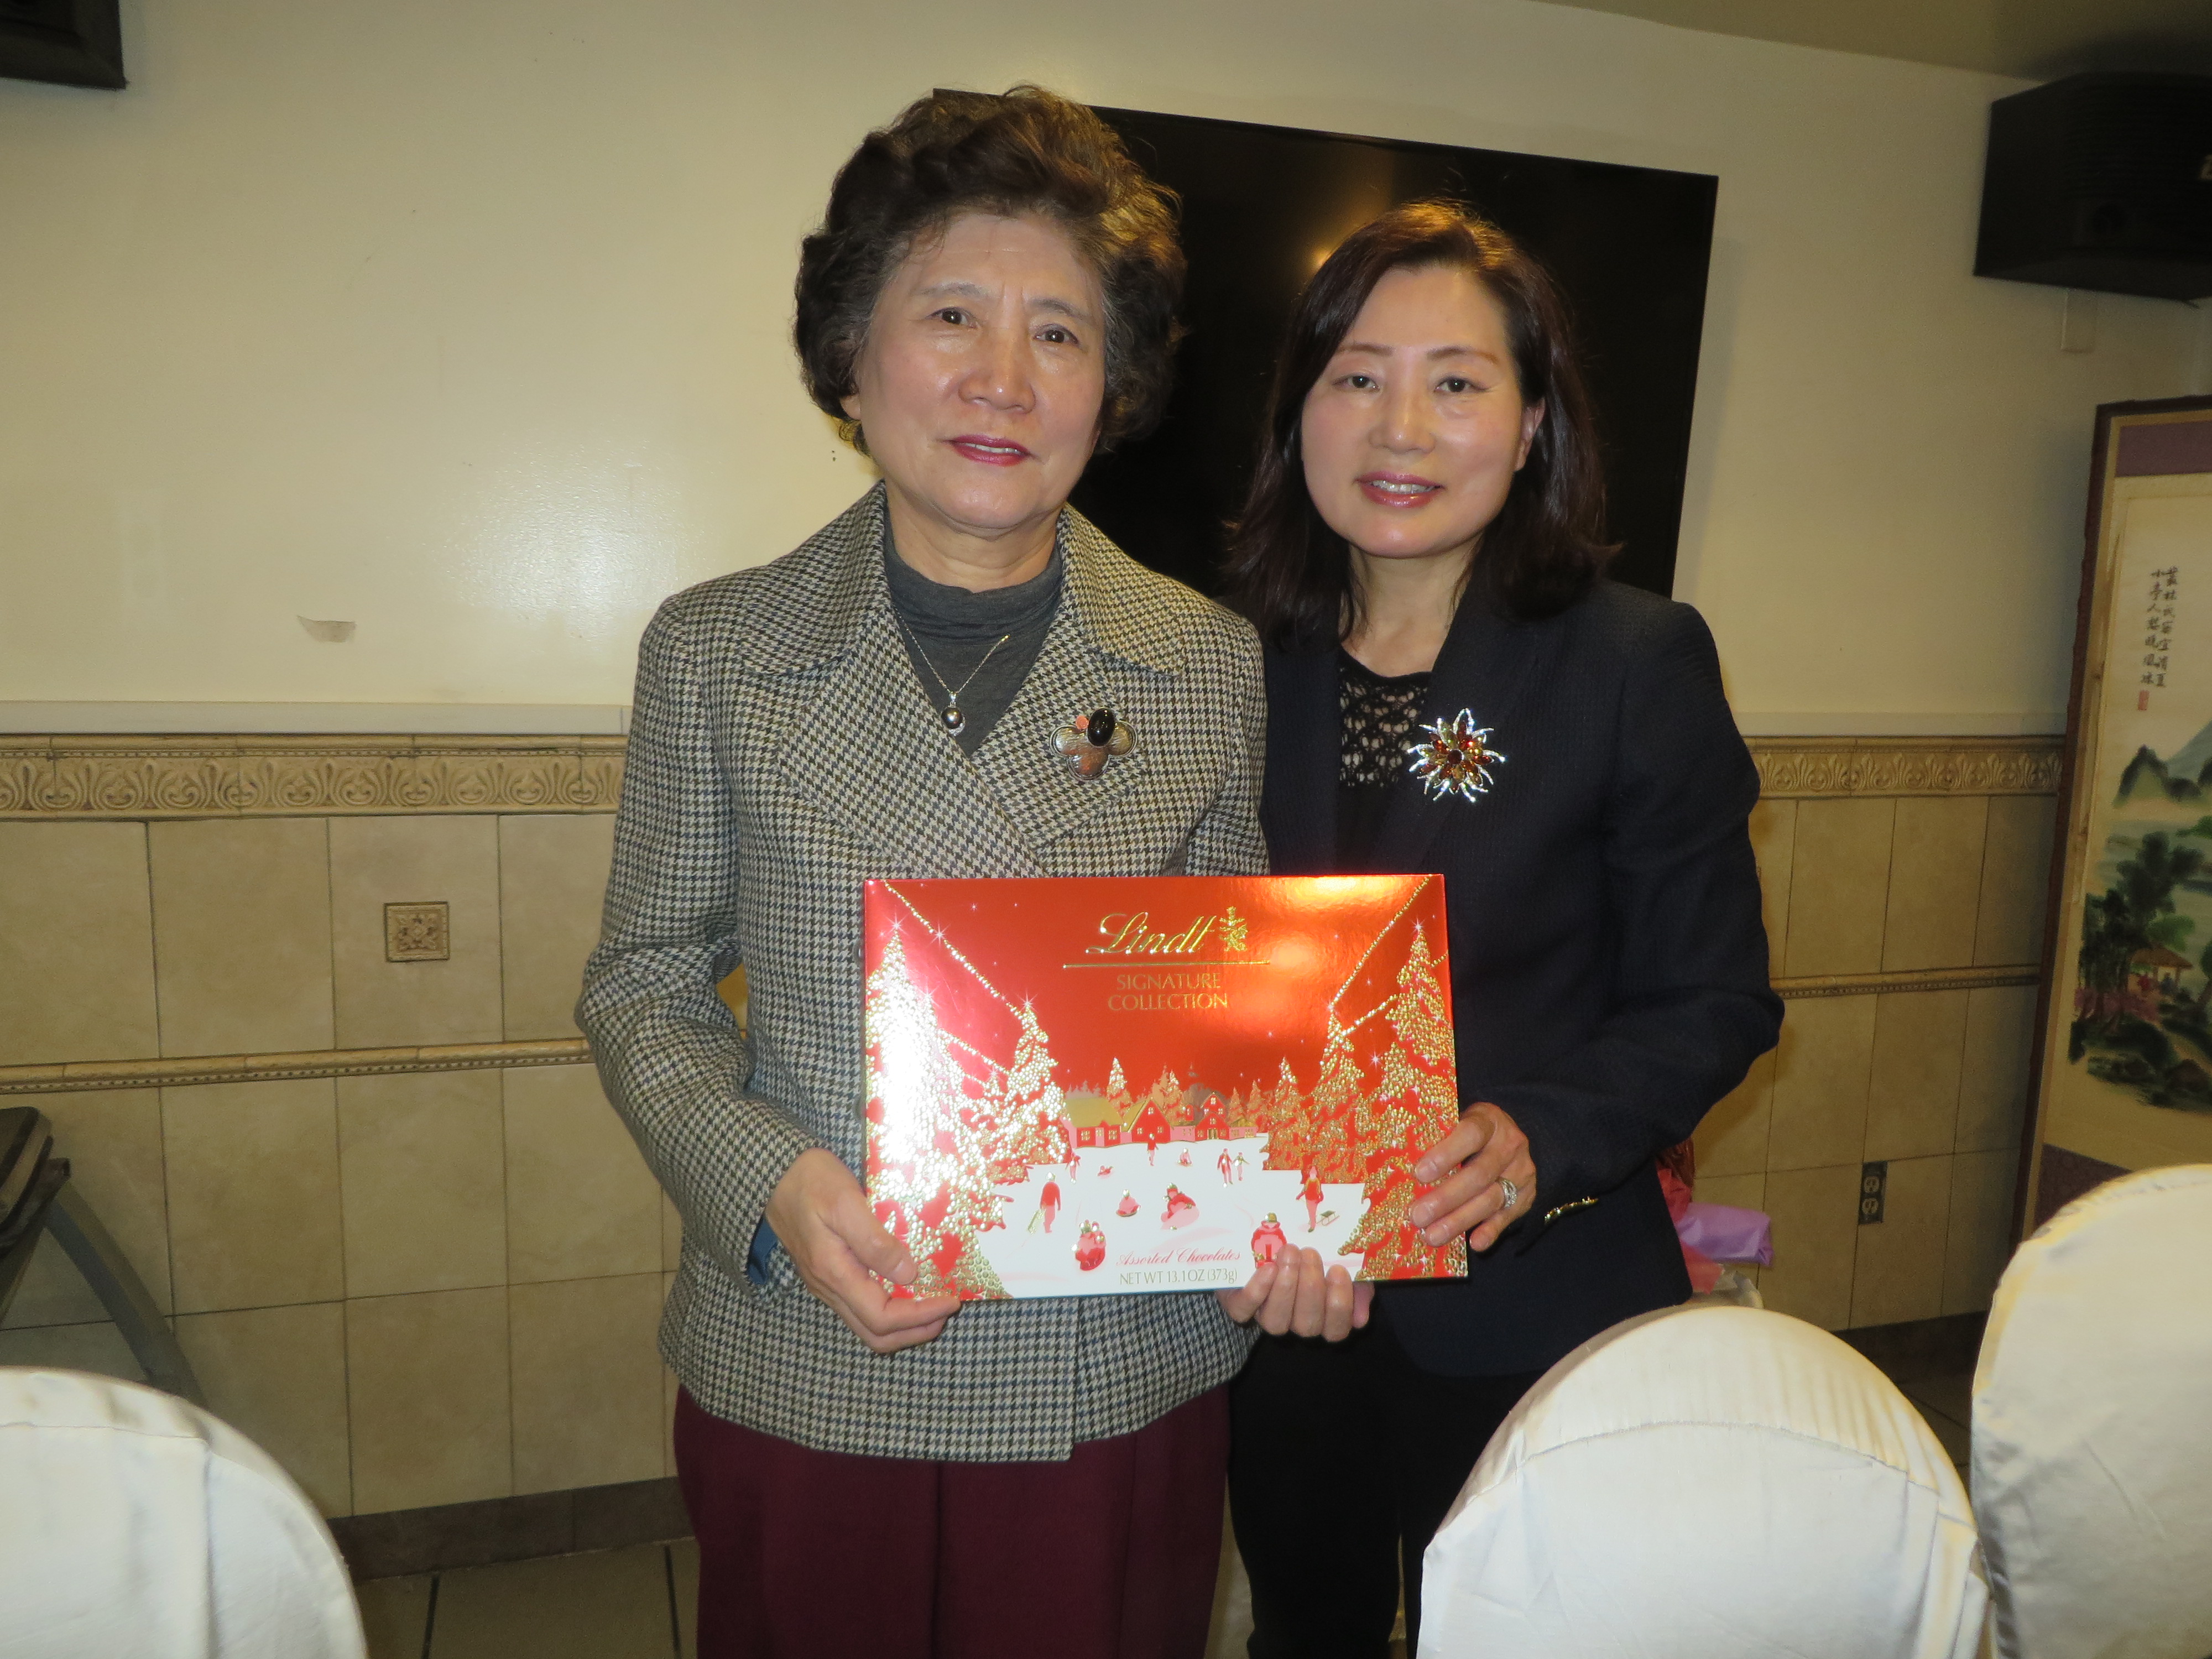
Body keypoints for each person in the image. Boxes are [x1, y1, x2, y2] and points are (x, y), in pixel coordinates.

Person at [579, 87, 1283, 1659]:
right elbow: (642, 982)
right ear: (854, 352)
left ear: (1113, 385)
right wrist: (770, 1183)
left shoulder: (1204, 664)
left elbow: (1232, 1021)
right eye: (952, 313)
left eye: (1060, 332)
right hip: (814, 1347)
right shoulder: (716, 651)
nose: (1002, 379)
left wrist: (1291, 1201)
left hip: (1111, 1364)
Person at [1218, 201, 1782, 1657]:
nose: (1399, 426)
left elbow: (1714, 999)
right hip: (1282, 1301)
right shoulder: (1221, 661)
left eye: (1456, 382)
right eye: (1355, 375)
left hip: (1533, 1296)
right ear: (1299, 413)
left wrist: (1541, 1135)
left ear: (1532, 424)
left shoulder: (1633, 660)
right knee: (1306, 1632)